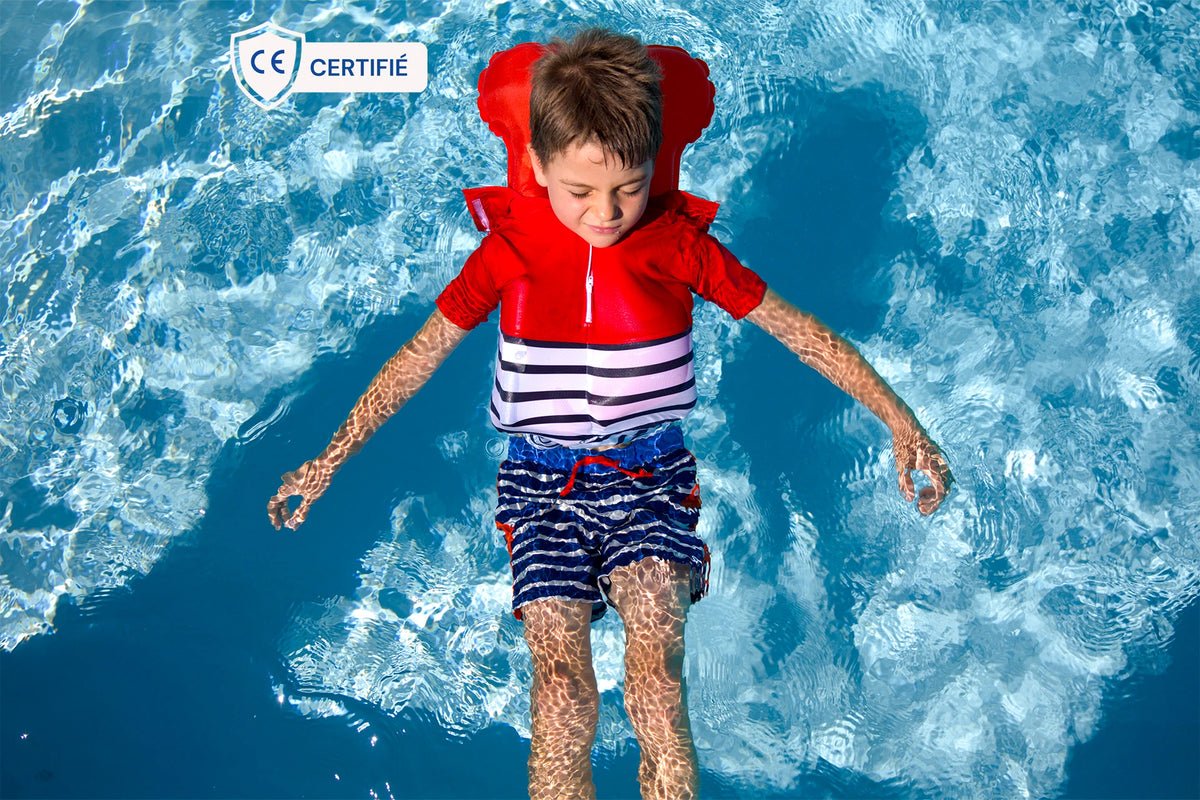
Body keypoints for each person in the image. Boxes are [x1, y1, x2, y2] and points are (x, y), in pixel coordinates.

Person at [268, 28, 951, 800]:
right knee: (562, 694)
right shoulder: (509, 252)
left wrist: (901, 424)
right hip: (541, 484)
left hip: (650, 475)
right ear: (536, 166)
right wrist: (329, 460)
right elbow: (419, 356)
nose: (606, 213)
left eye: (628, 187)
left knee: (655, 684)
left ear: (652, 163)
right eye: (581, 191)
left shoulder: (678, 248)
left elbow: (799, 332)